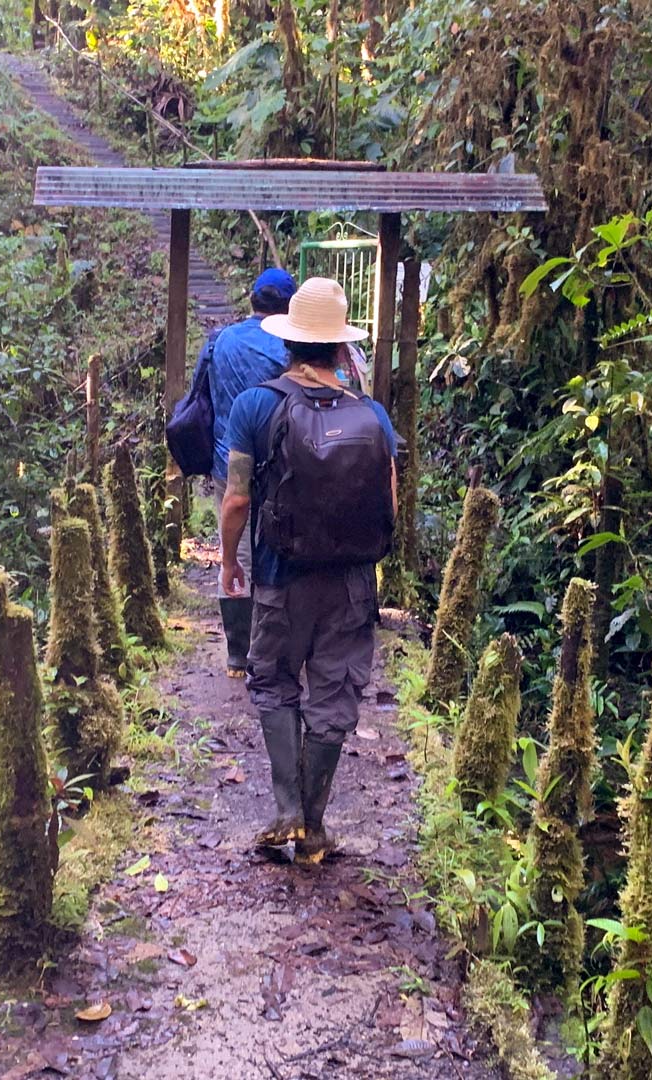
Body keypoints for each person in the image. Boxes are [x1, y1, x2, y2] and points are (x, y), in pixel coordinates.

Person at [219, 277, 398, 864]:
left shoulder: (254, 406)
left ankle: (287, 810)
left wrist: (228, 563)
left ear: (289, 343)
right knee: (333, 693)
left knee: (273, 681)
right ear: (341, 350)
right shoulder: (371, 415)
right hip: (350, 583)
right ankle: (315, 828)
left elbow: (238, 497)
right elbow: (390, 504)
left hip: (279, 575)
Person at [203, 268, 297, 678]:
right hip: (283, 462)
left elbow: (201, 392)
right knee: (277, 544)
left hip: (230, 457)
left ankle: (237, 653)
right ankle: (274, 643)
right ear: (289, 307)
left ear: (253, 301)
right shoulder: (292, 346)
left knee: (235, 550)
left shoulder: (222, 340)